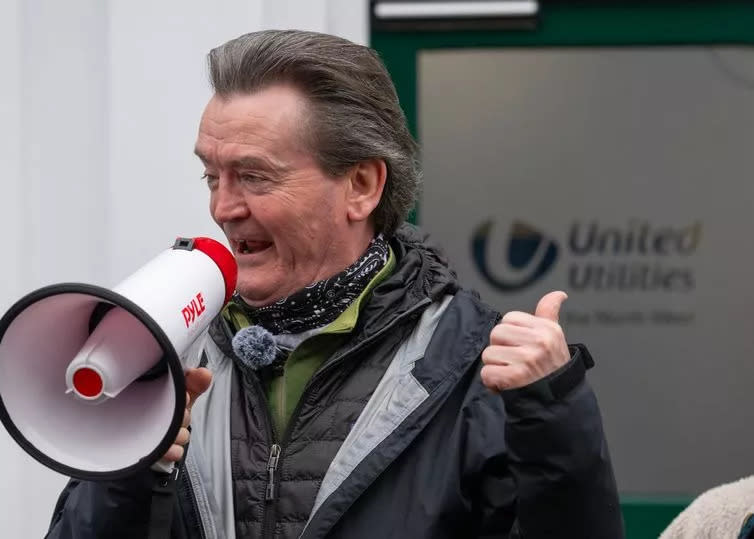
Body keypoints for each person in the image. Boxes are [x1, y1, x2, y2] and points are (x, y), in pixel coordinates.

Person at [45, 30, 623, 539]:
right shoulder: (169, 349)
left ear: (362, 186)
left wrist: (552, 417)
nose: (223, 207)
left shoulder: (473, 367)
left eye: (254, 176)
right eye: (211, 175)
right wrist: (127, 470)